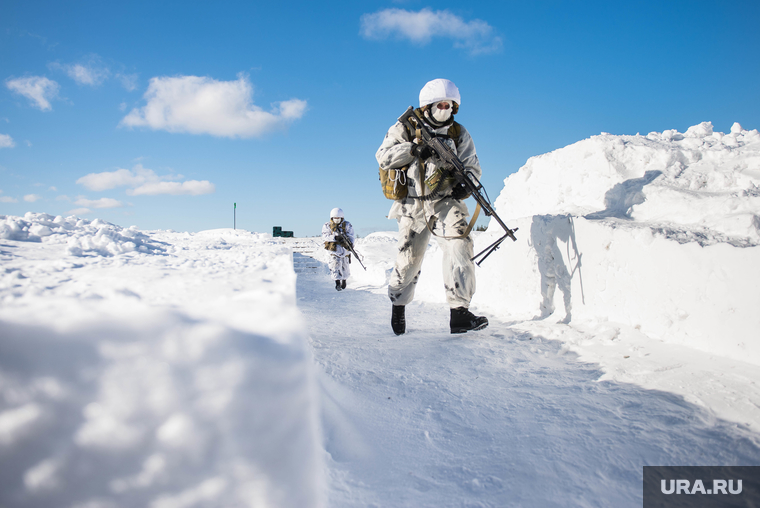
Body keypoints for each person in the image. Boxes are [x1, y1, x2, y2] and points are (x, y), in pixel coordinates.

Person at [375, 78, 489, 335]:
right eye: (440, 104)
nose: (445, 109)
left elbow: (471, 164)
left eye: (450, 105)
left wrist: (468, 184)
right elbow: (383, 156)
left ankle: (459, 312)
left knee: (461, 245)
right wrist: (413, 150)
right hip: (413, 203)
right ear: (427, 105)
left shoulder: (458, 133)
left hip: (446, 201)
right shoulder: (405, 127)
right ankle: (399, 305)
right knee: (408, 261)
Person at [322, 207, 356, 291]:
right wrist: (335, 237)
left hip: (345, 250)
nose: (337, 220)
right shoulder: (327, 225)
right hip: (334, 250)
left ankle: (344, 280)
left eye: (338, 218)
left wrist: (350, 244)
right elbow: (325, 236)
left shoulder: (347, 225)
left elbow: (351, 236)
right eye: (335, 218)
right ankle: (337, 282)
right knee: (335, 266)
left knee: (345, 266)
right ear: (332, 218)